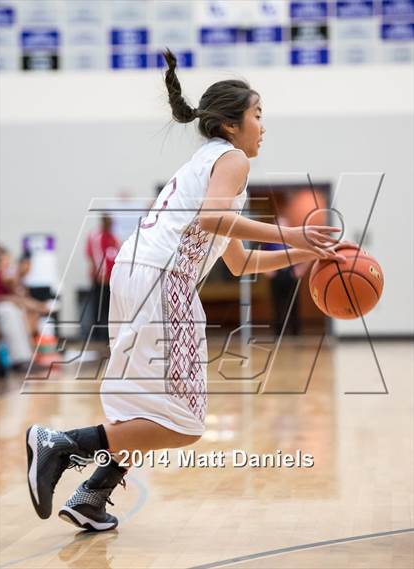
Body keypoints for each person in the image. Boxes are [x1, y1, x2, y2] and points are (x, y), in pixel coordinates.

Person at [25, 49, 346, 532]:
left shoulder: (208, 162)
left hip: (136, 272)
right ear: (231, 124)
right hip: (163, 279)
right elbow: (212, 219)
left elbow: (240, 261)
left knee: (142, 405)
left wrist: (305, 253)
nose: (264, 126)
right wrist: (293, 232)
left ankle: (94, 493)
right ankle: (62, 443)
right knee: (188, 422)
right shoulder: (233, 160)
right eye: (258, 115)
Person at [86, 215, 120, 341]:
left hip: (111, 279)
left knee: (109, 307)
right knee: (99, 308)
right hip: (101, 279)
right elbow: (96, 255)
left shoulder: (113, 237)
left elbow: (117, 254)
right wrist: (102, 274)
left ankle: (108, 335)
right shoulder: (96, 236)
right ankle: (97, 335)